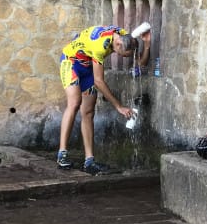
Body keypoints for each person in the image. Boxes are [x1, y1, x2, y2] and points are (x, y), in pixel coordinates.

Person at [57, 24, 151, 174]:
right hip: (71, 62)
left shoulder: (125, 37)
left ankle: (89, 161)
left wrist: (146, 44)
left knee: (88, 112)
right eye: (124, 54)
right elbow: (99, 81)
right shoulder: (100, 44)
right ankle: (62, 154)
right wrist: (118, 106)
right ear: (118, 44)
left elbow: (141, 63)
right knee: (74, 103)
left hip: (88, 67)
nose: (123, 57)